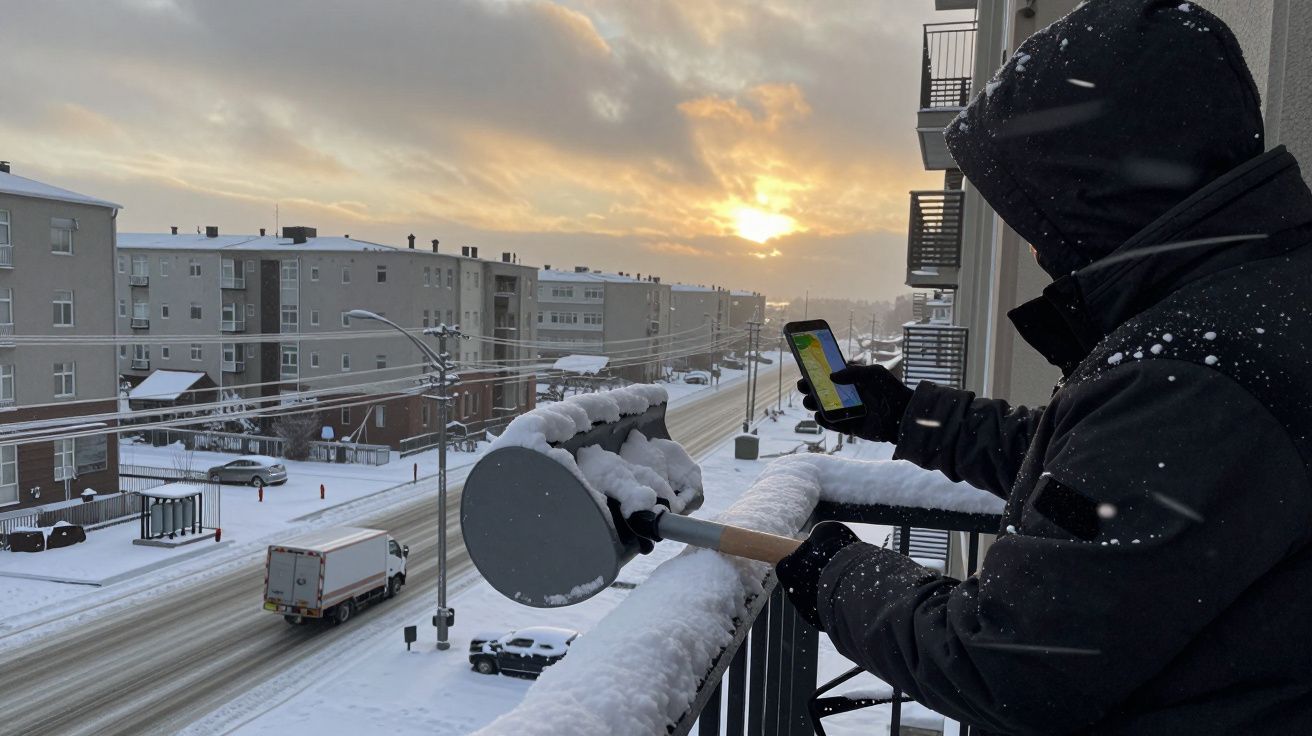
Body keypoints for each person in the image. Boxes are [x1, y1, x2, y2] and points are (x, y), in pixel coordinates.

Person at [776, 1, 1312, 733]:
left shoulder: (1196, 373)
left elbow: (1006, 660)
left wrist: (838, 575)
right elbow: (1094, 486)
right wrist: (907, 416)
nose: (1034, 250)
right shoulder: (1249, 306)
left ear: (1101, 198)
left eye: (1037, 217)